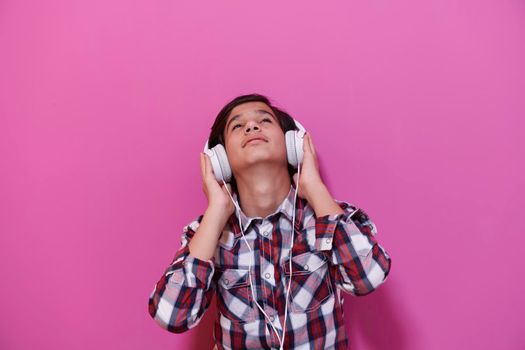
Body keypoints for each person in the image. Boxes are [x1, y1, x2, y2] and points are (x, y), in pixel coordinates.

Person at [148, 93, 392, 349]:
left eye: (265, 121)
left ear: (292, 145)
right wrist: (217, 210)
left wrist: (314, 187)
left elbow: (369, 277)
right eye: (237, 126)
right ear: (220, 161)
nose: (252, 127)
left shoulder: (327, 218)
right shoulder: (207, 234)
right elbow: (171, 316)